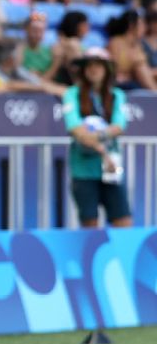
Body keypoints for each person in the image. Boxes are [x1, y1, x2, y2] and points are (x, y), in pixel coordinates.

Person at [63, 49, 132, 228]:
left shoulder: (117, 95)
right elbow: (75, 128)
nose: (93, 70)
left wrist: (97, 135)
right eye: (89, 66)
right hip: (83, 169)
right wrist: (100, 146)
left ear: (106, 69)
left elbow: (118, 127)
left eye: (98, 65)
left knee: (123, 221)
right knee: (90, 225)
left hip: (110, 168)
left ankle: (121, 256)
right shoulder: (72, 94)